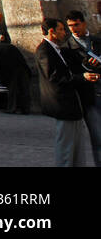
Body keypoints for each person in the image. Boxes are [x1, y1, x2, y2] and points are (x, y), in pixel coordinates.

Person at [36, 17, 100, 167]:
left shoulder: (60, 50)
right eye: (61, 29)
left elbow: (74, 66)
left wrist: (86, 67)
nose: (65, 33)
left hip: (73, 105)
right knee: (66, 147)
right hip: (62, 105)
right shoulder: (44, 50)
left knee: (77, 147)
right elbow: (54, 76)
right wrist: (81, 78)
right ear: (51, 31)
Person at [65, 10, 101, 166]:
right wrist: (85, 72)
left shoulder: (97, 41)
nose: (73, 29)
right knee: (98, 136)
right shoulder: (67, 47)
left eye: (76, 25)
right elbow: (69, 74)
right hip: (89, 97)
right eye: (70, 26)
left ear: (83, 23)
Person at [0, 30, 31, 114]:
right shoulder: (8, 46)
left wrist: (2, 77)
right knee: (23, 88)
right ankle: (25, 109)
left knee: (13, 90)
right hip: (21, 67)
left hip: (11, 70)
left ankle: (12, 108)